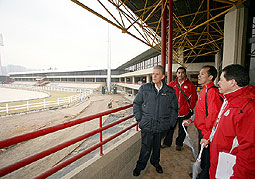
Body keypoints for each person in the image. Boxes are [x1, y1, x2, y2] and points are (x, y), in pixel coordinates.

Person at [201, 64, 255, 179]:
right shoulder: (229, 100)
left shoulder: (247, 108)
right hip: (218, 163)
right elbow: (219, 125)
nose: (218, 83)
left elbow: (248, 151)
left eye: (221, 79)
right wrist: (209, 138)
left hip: (229, 169)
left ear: (232, 82)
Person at [132, 65, 178, 176]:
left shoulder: (170, 91)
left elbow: (174, 109)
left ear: (163, 76)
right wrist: (140, 119)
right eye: (153, 73)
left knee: (157, 146)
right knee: (145, 147)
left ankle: (155, 163)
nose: (154, 76)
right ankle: (140, 166)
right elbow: (136, 103)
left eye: (157, 74)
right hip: (147, 124)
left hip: (161, 126)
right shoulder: (145, 88)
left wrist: (170, 124)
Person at [184, 65, 222, 179]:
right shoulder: (204, 90)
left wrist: (207, 136)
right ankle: (201, 173)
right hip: (202, 130)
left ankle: (204, 175)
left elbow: (213, 117)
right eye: (199, 73)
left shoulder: (212, 93)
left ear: (210, 77)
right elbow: (201, 111)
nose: (199, 76)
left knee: (207, 157)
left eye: (202, 74)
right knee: (203, 155)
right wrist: (191, 119)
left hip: (207, 133)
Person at [161, 66, 198, 151]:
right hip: (173, 112)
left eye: (182, 72)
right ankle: (167, 143)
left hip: (185, 112)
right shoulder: (172, 84)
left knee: (182, 130)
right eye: (179, 72)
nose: (180, 74)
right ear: (177, 74)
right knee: (170, 128)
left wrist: (190, 108)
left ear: (185, 74)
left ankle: (179, 144)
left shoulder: (190, 85)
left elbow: (194, 98)